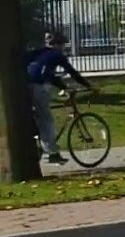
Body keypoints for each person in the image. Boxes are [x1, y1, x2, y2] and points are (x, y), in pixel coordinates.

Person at [24, 32, 92, 164]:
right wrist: (87, 85)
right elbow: (71, 72)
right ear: (57, 45)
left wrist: (63, 86)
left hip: (26, 85)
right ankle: (52, 153)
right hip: (39, 87)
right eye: (63, 45)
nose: (63, 48)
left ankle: (37, 141)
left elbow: (47, 74)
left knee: (36, 116)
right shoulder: (56, 55)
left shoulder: (37, 53)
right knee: (46, 120)